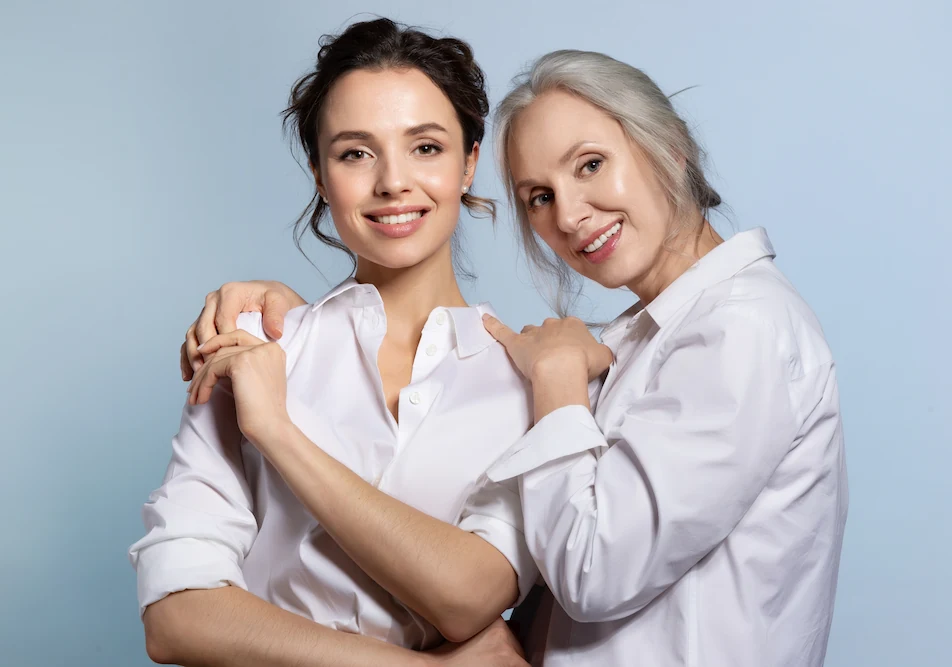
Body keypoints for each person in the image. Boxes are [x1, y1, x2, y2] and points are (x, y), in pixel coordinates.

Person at [188, 50, 848, 666]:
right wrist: (305, 325)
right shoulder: (630, 340)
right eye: (539, 195)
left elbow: (594, 571)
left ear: (670, 147)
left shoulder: (742, 327)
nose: (572, 214)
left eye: (590, 164)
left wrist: (556, 379)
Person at [130, 19, 536, 667]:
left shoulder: (532, 380)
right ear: (321, 176)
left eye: (425, 147)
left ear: (469, 161)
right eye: (355, 153)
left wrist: (278, 430)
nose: (393, 182)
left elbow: (470, 595)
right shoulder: (253, 348)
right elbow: (177, 613)